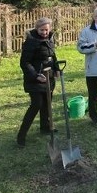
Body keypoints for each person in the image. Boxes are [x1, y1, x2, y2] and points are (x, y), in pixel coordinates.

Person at [17, 17, 61, 147]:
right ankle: (21, 135)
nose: (44, 32)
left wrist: (57, 68)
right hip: (35, 78)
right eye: (42, 30)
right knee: (36, 104)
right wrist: (36, 75)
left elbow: (52, 55)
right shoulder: (31, 42)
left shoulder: (50, 39)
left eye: (46, 30)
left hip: (49, 76)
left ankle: (45, 127)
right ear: (37, 29)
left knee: (47, 103)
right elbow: (24, 62)